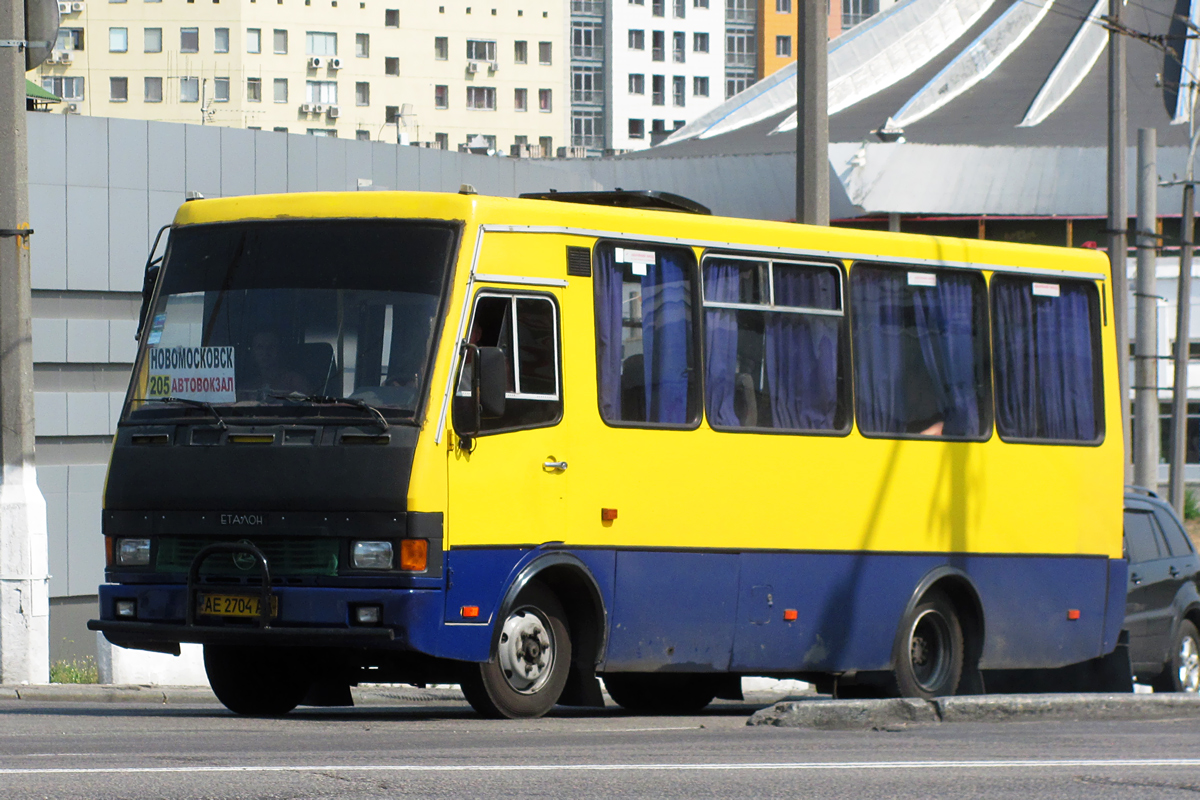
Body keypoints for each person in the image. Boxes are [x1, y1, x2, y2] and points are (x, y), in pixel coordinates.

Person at [247, 330, 308, 396]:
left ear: (280, 351)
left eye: (271, 347)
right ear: (252, 353)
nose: (265, 353)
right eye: (259, 347)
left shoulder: (294, 382)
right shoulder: (247, 388)